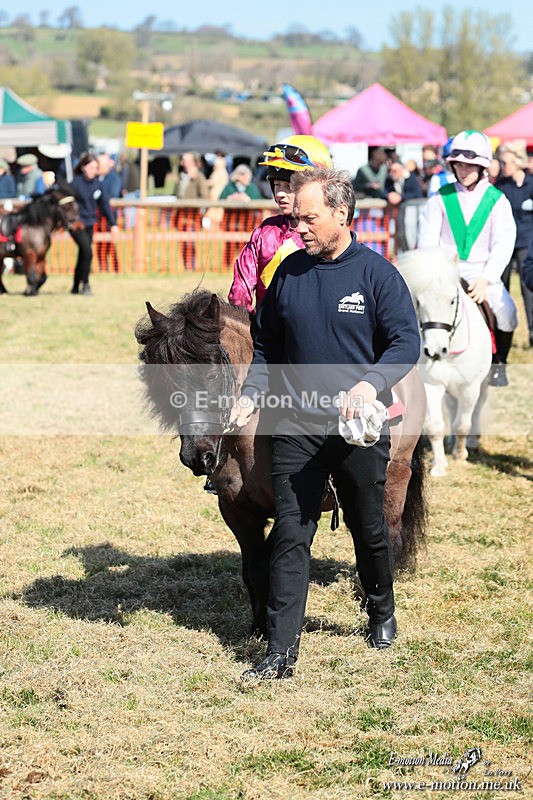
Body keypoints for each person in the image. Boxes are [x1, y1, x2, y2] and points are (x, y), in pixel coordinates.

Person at [229, 167, 421, 681]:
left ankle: (380, 608)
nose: (300, 226)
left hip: (358, 426)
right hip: (295, 423)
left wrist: (370, 383)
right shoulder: (288, 273)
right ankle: (280, 651)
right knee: (292, 531)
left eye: (310, 217)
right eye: (299, 217)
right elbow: (266, 345)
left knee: (368, 526)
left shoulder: (378, 275)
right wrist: (250, 395)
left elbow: (406, 343)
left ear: (341, 214)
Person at [418, 130, 518, 387]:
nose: (463, 170)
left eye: (469, 165)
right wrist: (436, 272)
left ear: (482, 166)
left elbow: (503, 243)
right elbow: (427, 240)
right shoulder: (440, 197)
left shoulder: (498, 200)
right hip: (444, 272)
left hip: (481, 273)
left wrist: (487, 278)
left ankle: (498, 364)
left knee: (507, 312)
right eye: (459, 164)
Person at [228, 134, 332, 311]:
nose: (280, 193)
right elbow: (240, 293)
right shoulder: (263, 233)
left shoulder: (330, 234)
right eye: (276, 185)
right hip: (266, 335)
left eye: (289, 186)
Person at [495, 144, 533, 347]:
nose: (502, 166)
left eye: (506, 162)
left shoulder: (531, 184)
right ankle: (501, 339)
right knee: (502, 288)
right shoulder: (500, 186)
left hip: (527, 242)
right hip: (504, 244)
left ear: (518, 162)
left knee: (529, 289)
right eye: (501, 162)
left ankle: (532, 333)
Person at [69, 152, 119, 295]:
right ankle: (85, 285)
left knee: (83, 255)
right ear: (83, 167)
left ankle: (75, 286)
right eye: (91, 167)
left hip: (90, 223)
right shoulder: (75, 184)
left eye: (96, 168)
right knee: (88, 252)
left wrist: (113, 224)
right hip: (77, 224)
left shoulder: (98, 183)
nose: (94, 171)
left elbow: (104, 205)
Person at [174, 151, 209, 270]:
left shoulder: (199, 177)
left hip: (193, 216)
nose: (182, 162)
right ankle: (186, 266)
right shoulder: (181, 176)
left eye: (185, 160)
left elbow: (205, 196)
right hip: (181, 215)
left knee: (191, 243)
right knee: (183, 243)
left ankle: (192, 267)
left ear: (193, 162)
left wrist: (202, 213)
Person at [96, 153, 122, 273]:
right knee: (100, 244)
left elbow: (112, 195)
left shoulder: (113, 177)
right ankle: (103, 268)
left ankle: (115, 269)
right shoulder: (97, 177)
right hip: (98, 216)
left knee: (109, 244)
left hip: (109, 215)